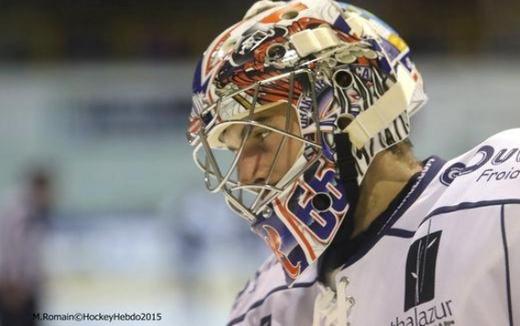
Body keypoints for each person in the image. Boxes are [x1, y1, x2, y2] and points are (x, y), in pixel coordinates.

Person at [186, 0, 520, 325]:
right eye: (233, 150)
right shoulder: (266, 306)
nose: (247, 172)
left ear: (348, 101)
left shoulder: (500, 209)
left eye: (259, 134)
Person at [0, 168, 53, 326]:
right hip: (15, 290)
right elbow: (8, 249)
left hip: (26, 287)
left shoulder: (34, 212)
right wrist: (10, 283)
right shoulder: (17, 213)